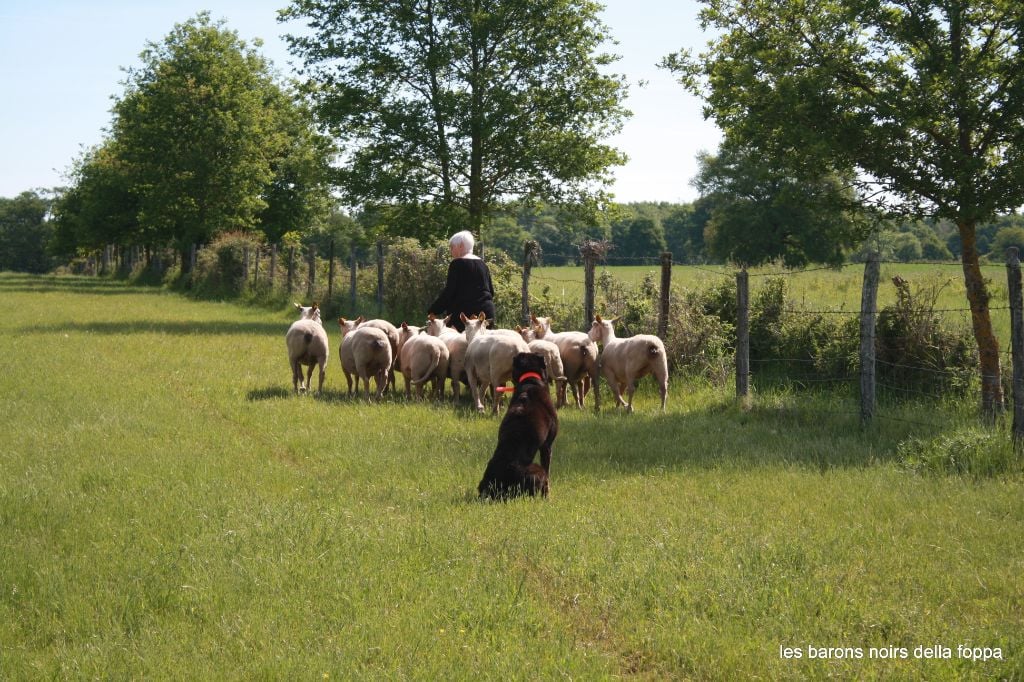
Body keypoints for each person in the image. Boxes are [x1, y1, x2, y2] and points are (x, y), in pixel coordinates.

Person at [428, 230, 495, 332]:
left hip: (463, 318)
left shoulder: (457, 264)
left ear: (461, 246)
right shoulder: (483, 264)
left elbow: (449, 292)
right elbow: (491, 291)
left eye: (452, 247)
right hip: (486, 315)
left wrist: (433, 310)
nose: (451, 251)